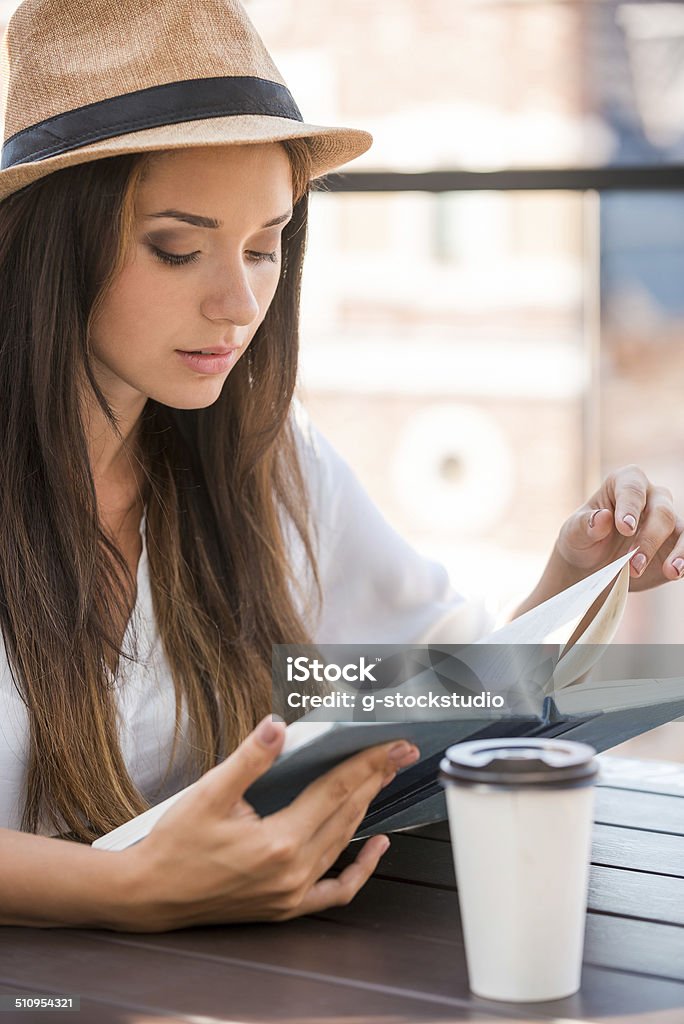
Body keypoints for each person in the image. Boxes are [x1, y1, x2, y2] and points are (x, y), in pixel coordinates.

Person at [0, 0, 682, 933]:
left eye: (265, 246)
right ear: (52, 245)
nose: (238, 303)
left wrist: (575, 571)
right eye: (178, 248)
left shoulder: (264, 456)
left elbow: (441, 699)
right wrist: (130, 890)